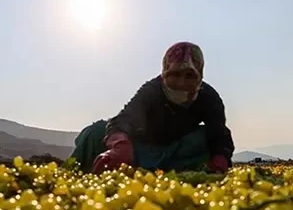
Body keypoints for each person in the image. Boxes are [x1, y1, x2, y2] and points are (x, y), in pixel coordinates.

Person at [71, 41, 235, 174]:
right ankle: (79, 170)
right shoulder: (152, 90)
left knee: (204, 137)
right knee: (95, 131)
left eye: (189, 76)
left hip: (177, 151)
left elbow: (219, 134)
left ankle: (181, 170)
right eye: (175, 75)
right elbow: (124, 118)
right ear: (164, 73)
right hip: (141, 149)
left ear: (200, 75)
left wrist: (220, 161)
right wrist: (120, 146)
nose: (181, 83)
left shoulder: (209, 97)